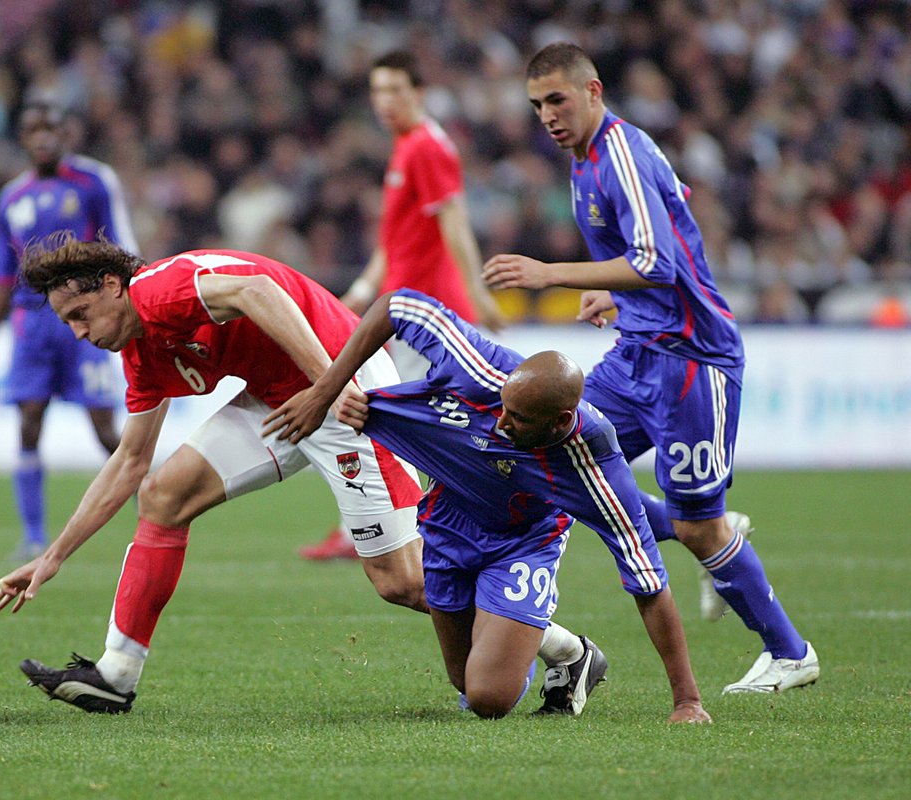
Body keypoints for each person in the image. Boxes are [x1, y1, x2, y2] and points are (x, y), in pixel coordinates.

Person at [0, 235, 606, 718]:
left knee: (402, 582)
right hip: (278, 399)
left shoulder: (160, 291)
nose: (80, 333)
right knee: (163, 496)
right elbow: (129, 461)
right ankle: (116, 675)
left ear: (113, 286)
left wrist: (329, 387)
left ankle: (570, 652)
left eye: (82, 313)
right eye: (68, 323)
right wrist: (53, 557)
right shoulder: (140, 351)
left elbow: (260, 289)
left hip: (345, 390)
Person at [483, 42, 818, 694]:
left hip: (692, 361)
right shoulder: (585, 161)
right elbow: (673, 231)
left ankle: (789, 651)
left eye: (557, 100)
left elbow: (657, 261)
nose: (547, 115)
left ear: (593, 91)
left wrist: (551, 273)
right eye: (537, 105)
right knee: (563, 464)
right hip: (636, 351)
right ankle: (712, 534)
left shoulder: (621, 153)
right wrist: (617, 295)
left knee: (695, 523)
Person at [264, 290, 709, 723]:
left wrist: (687, 700)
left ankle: (557, 651)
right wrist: (326, 391)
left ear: (560, 422)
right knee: (463, 679)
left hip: (523, 541)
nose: (501, 422)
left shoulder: (593, 467)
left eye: (518, 419)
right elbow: (398, 305)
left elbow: (650, 584)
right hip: (448, 521)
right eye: (504, 408)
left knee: (487, 699)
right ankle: (566, 649)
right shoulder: (480, 366)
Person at [301, 49, 505, 561]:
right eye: (377, 91)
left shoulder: (429, 148)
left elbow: (454, 223)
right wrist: (361, 292)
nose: (384, 101)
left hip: (427, 312)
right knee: (398, 415)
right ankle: (400, 524)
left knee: (393, 417)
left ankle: (392, 529)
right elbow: (394, 241)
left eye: (394, 89)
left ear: (418, 92)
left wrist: (478, 292)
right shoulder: (406, 146)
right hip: (401, 311)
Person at [0, 102, 139, 560]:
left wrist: (129, 308)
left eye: (51, 128)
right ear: (22, 138)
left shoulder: (93, 181)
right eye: (33, 129)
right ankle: (32, 535)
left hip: (86, 317)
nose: (43, 136)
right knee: (29, 422)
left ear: (66, 134)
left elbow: (122, 245)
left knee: (105, 428)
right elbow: (0, 273)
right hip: (31, 326)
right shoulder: (12, 196)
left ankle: (153, 513)